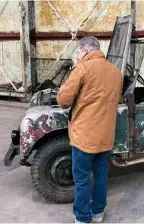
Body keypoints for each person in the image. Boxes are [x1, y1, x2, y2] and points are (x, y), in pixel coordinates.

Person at [57, 36, 123, 223]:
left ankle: (82, 218)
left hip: (85, 136)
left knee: (82, 178)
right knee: (101, 176)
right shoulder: (115, 71)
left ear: (85, 50)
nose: (78, 56)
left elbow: (63, 101)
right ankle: (97, 213)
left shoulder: (83, 68)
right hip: (105, 135)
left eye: (78, 52)